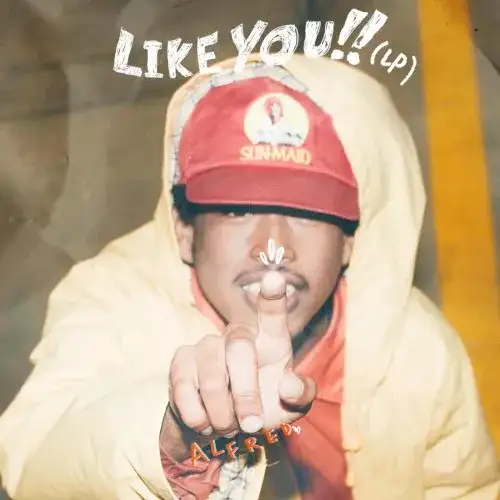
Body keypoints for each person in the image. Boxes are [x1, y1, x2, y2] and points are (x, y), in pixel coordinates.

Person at [0, 54, 498, 500]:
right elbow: (33, 459)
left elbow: (465, 488)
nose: (272, 247)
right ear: (184, 230)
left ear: (352, 239)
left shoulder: (416, 345)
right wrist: (175, 437)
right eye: (237, 210)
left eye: (309, 213)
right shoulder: (112, 300)